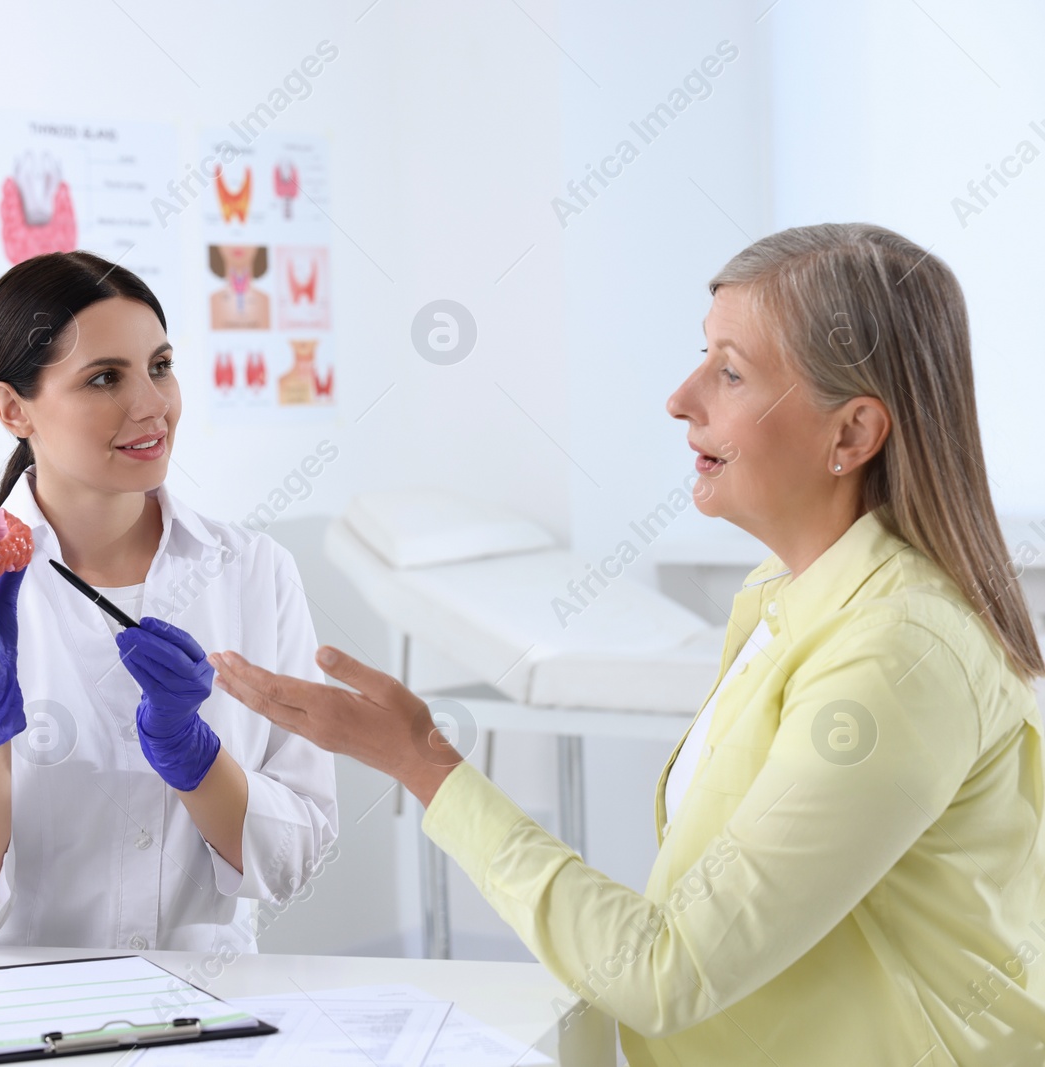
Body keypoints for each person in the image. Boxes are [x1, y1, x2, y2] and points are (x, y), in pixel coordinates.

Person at [207, 223, 1045, 1064]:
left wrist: (425, 763)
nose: (681, 398)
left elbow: (664, 971)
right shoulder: (780, 597)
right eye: (702, 357)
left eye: (731, 370)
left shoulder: (898, 653)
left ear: (852, 435)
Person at [0, 250, 337, 953]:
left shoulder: (254, 575)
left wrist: (195, 756)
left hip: (200, 1008)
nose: (151, 404)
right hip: (12, 1016)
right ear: (13, 408)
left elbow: (295, 861)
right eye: (104, 378)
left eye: (159, 365)